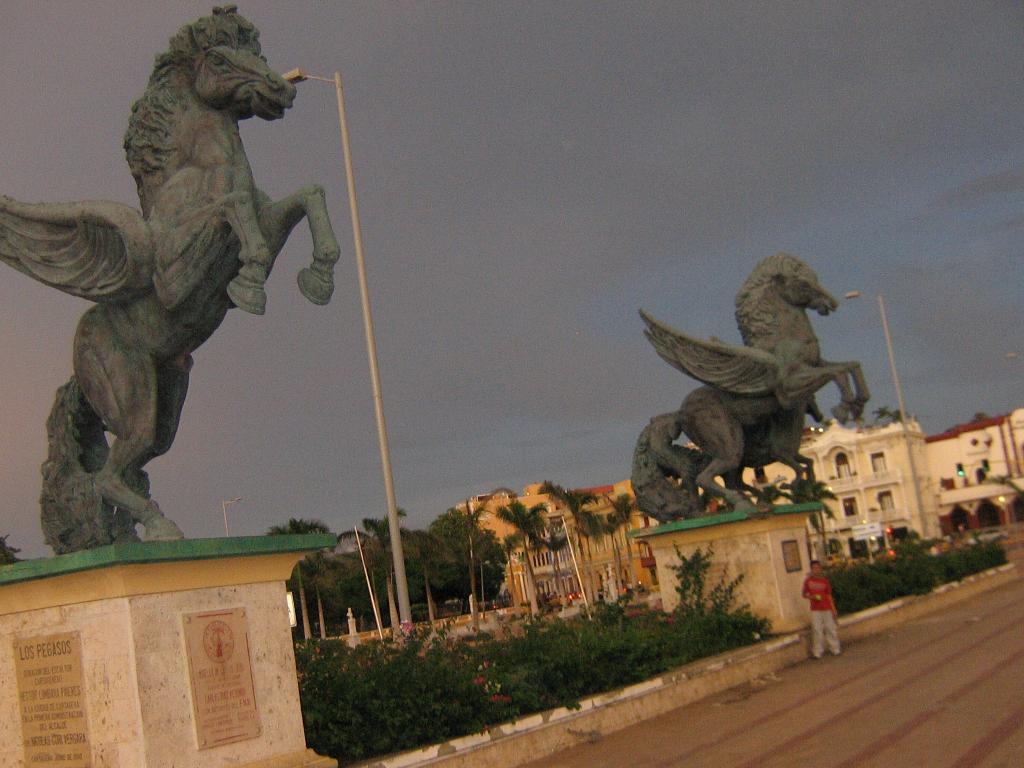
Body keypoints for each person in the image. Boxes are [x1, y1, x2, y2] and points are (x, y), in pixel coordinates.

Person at [802, 559, 841, 658]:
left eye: (818, 568)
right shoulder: (808, 582)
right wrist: (812, 597)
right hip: (815, 609)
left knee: (830, 628)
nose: (816, 570)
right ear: (811, 569)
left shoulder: (825, 581)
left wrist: (834, 609)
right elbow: (804, 594)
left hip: (826, 607)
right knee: (817, 630)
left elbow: (829, 595)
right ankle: (817, 651)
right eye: (814, 568)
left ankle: (834, 648)